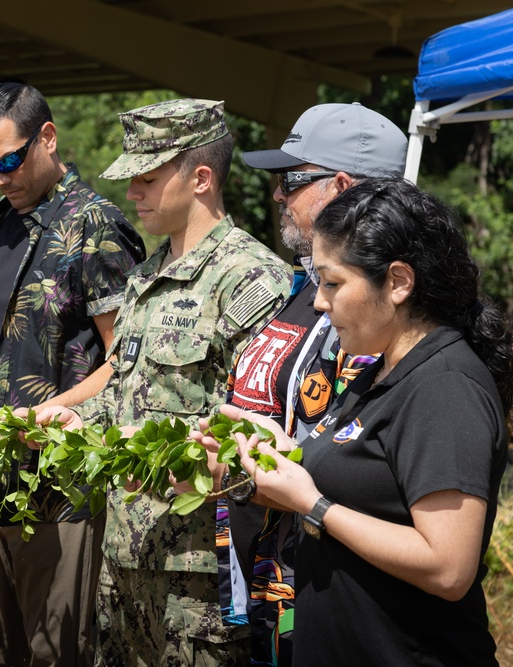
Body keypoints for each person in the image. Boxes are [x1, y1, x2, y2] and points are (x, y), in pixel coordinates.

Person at [31, 98, 290, 665]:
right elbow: (127, 388)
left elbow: (264, 435)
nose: (132, 194)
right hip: (125, 556)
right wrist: (79, 421)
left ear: (200, 178)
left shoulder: (252, 280)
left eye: (146, 179)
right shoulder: (146, 276)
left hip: (200, 577)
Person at [230, 178, 512, 666]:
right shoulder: (379, 370)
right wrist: (275, 452)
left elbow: (448, 567)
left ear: (399, 282)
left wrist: (312, 505)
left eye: (333, 282)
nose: (319, 301)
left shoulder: (444, 386)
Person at [0, 82, 145, 666]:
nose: (0, 178)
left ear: (47, 138)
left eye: (9, 160)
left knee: (56, 653)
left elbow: (125, 362)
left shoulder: (95, 226)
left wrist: (56, 412)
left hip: (55, 491)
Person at [218, 102, 408, 666]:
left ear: (342, 188)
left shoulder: (386, 308)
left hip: (334, 604)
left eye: (291, 180)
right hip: (269, 592)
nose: (278, 195)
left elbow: (358, 457)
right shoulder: (304, 287)